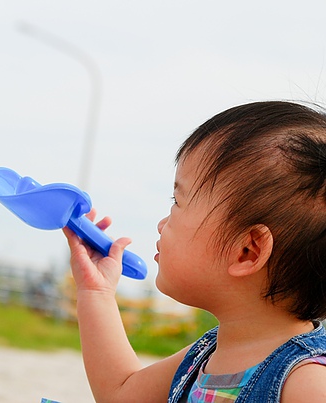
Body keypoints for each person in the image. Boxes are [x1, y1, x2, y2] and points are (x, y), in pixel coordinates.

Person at [63, 101, 326, 402]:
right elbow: (119, 393)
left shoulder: (307, 383)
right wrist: (96, 291)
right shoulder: (203, 355)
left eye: (177, 201)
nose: (162, 224)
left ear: (247, 251)